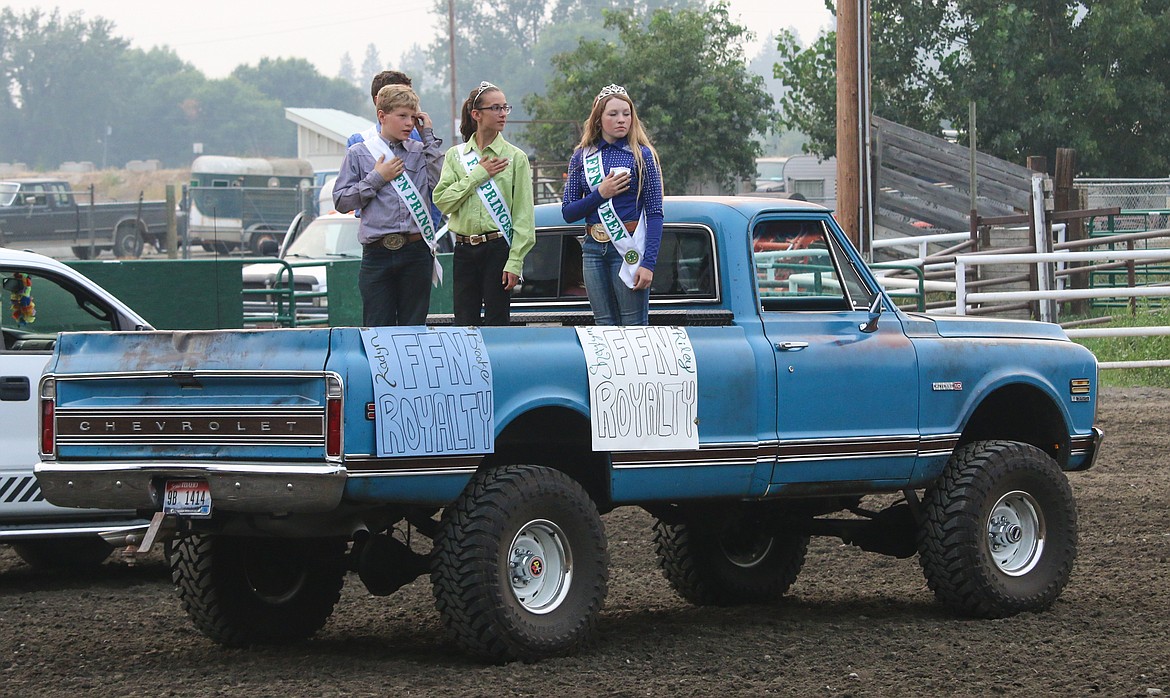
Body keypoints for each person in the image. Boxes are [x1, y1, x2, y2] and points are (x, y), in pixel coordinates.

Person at [333, 84, 444, 326]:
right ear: (382, 116)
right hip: (377, 254)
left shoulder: (421, 151)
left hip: (416, 252)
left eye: (413, 117)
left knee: (413, 328)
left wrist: (428, 137)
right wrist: (377, 178)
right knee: (377, 329)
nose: (408, 123)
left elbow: (441, 186)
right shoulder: (358, 153)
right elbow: (341, 201)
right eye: (402, 116)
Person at [433, 81, 535, 326]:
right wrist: (478, 175)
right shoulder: (456, 156)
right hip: (464, 249)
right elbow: (443, 201)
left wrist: (515, 261)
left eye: (505, 108)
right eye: (496, 108)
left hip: (498, 248)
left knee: (497, 322)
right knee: (464, 323)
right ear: (476, 115)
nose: (502, 114)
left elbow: (523, 217)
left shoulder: (515, 157)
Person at [561, 83, 663, 326]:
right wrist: (600, 194)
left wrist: (648, 264)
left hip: (627, 248)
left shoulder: (642, 155)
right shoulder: (581, 156)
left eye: (626, 114)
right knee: (603, 327)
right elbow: (568, 212)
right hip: (593, 250)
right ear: (598, 119)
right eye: (613, 114)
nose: (621, 120)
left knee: (633, 327)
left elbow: (655, 213)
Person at [347, 71, 444, 236]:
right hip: (379, 242)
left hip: (418, 240)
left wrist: (429, 232)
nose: (409, 122)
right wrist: (377, 178)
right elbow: (349, 203)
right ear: (380, 101)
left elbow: (438, 191)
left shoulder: (420, 142)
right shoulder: (360, 143)